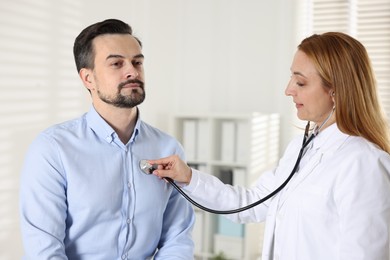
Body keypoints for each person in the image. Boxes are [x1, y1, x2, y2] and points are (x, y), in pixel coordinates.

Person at [149, 32, 390, 260]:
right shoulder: (301, 149)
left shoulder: (364, 163)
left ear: (336, 91)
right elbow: (251, 203)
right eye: (291, 78)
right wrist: (188, 177)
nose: (288, 90)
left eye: (301, 82)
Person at [19, 19, 194, 259]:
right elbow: (44, 248)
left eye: (137, 62)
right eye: (116, 63)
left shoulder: (169, 148)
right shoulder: (52, 149)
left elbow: (178, 238)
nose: (132, 70)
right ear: (87, 78)